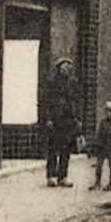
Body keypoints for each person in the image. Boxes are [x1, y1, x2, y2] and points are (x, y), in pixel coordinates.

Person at [42, 56, 81, 187]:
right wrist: (48, 118)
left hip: (68, 120)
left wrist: (77, 118)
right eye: (63, 66)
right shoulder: (52, 82)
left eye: (68, 67)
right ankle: (51, 176)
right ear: (58, 68)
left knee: (66, 149)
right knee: (53, 149)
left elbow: (77, 101)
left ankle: (63, 176)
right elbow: (46, 102)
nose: (66, 69)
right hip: (55, 119)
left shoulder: (73, 83)